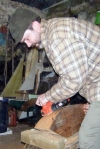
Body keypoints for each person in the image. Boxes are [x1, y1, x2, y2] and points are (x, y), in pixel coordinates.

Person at [9, 8, 100, 149]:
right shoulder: (55, 30)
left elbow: (73, 80)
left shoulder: (57, 37)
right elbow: (77, 72)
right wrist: (93, 101)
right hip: (96, 88)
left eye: (27, 38)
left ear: (35, 25)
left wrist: (48, 96)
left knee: (88, 138)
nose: (27, 45)